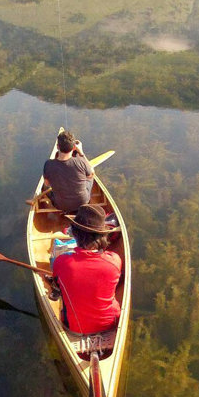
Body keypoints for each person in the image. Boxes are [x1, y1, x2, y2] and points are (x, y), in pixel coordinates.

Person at [48, 203, 122, 335]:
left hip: (75, 329)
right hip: (111, 325)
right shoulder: (115, 260)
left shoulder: (61, 262)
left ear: (75, 234)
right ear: (103, 235)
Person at [43, 129, 94, 212]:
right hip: (83, 202)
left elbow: (47, 184)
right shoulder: (81, 161)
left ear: (57, 147)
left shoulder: (48, 164)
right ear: (74, 147)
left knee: (45, 188)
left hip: (60, 205)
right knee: (90, 176)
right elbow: (91, 174)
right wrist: (81, 153)